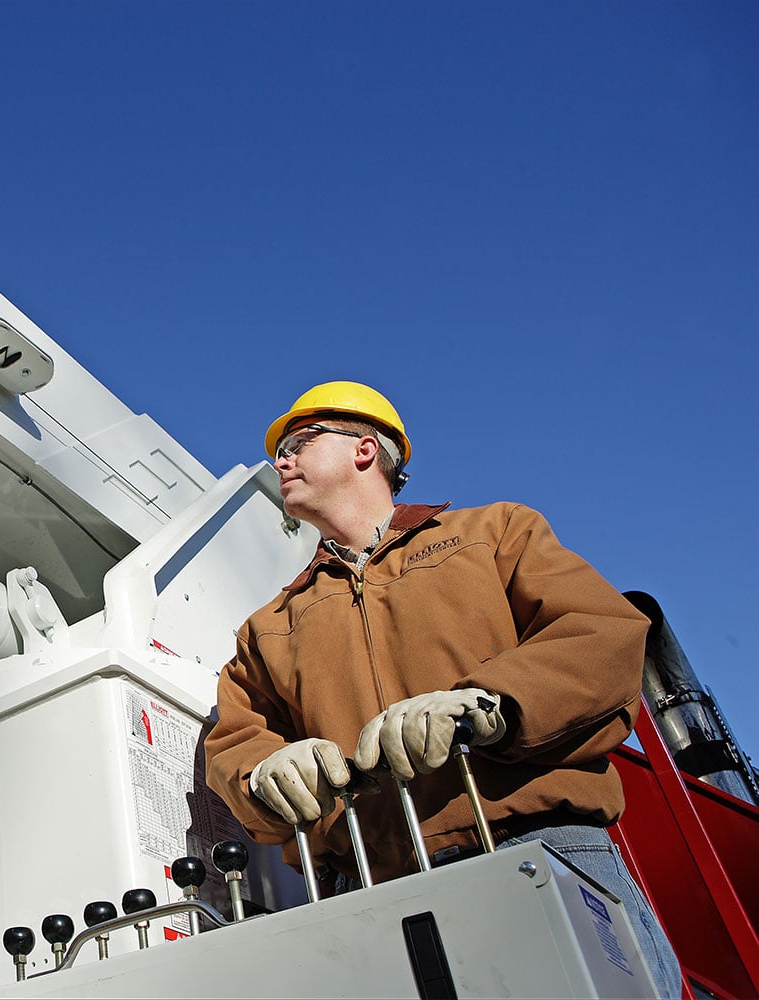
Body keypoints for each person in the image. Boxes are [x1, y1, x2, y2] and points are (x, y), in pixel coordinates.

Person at [203, 380, 683, 998]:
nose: (280, 461)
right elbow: (235, 738)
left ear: (365, 449)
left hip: (535, 847)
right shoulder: (270, 624)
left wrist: (490, 701)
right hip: (367, 893)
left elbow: (601, 632)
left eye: (300, 441)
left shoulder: (495, 533)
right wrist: (263, 771)